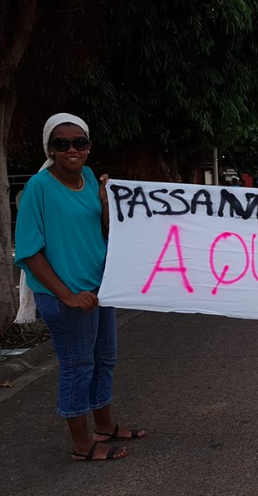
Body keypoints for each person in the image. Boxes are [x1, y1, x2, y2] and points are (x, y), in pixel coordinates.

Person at [15, 114, 147, 462]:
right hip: (67, 297)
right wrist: (67, 296)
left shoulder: (89, 178)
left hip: (101, 288)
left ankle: (104, 427)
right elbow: (29, 251)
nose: (72, 149)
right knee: (78, 366)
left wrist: (104, 202)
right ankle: (81, 444)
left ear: (88, 146)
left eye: (80, 142)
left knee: (104, 359)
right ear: (50, 148)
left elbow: (103, 231)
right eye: (62, 143)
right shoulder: (38, 188)